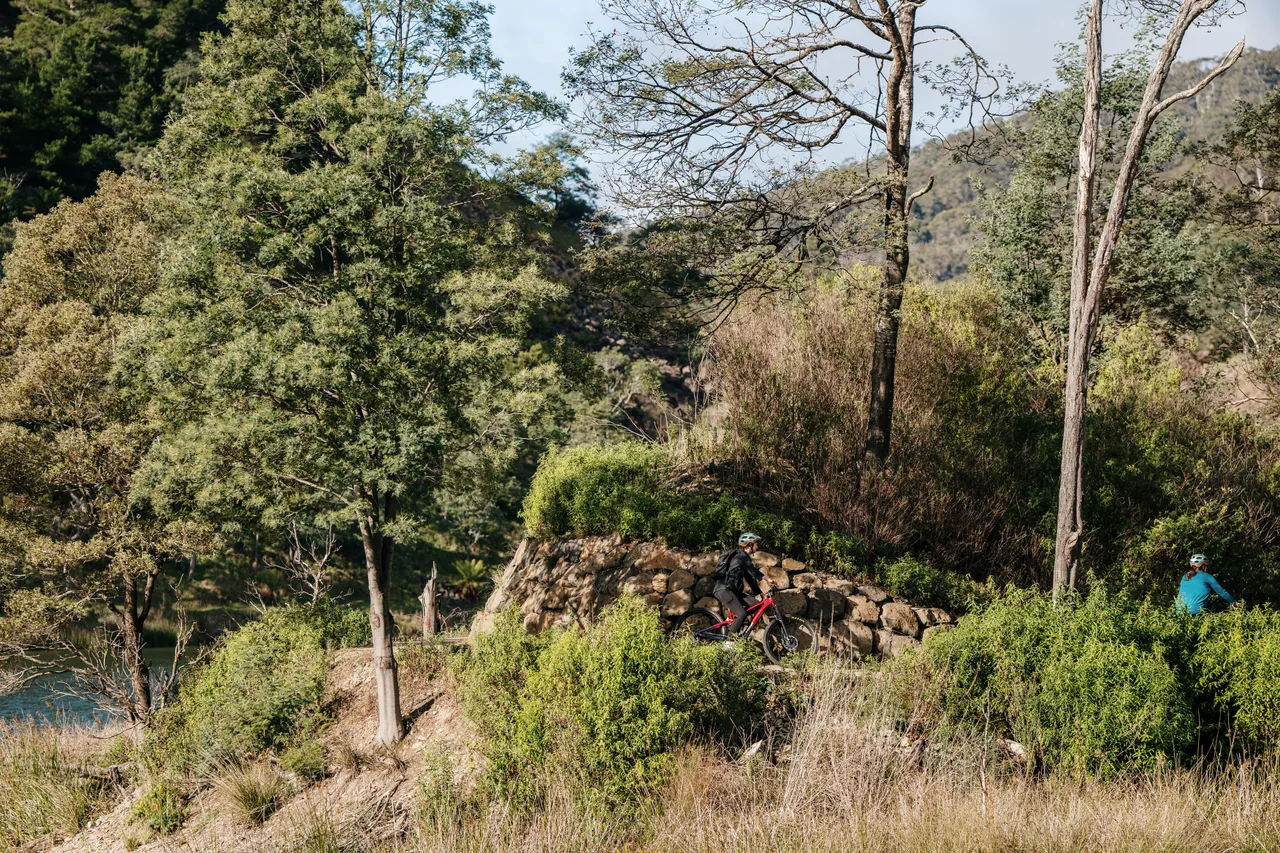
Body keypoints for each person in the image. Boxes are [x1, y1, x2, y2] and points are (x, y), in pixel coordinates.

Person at [714, 532, 769, 636]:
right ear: (750, 544)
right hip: (724, 589)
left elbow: (750, 578)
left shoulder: (742, 558)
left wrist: (760, 593)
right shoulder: (741, 556)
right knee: (742, 614)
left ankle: (736, 623)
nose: (758, 546)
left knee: (755, 604)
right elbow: (753, 571)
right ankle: (729, 642)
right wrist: (766, 578)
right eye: (756, 543)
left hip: (732, 590)